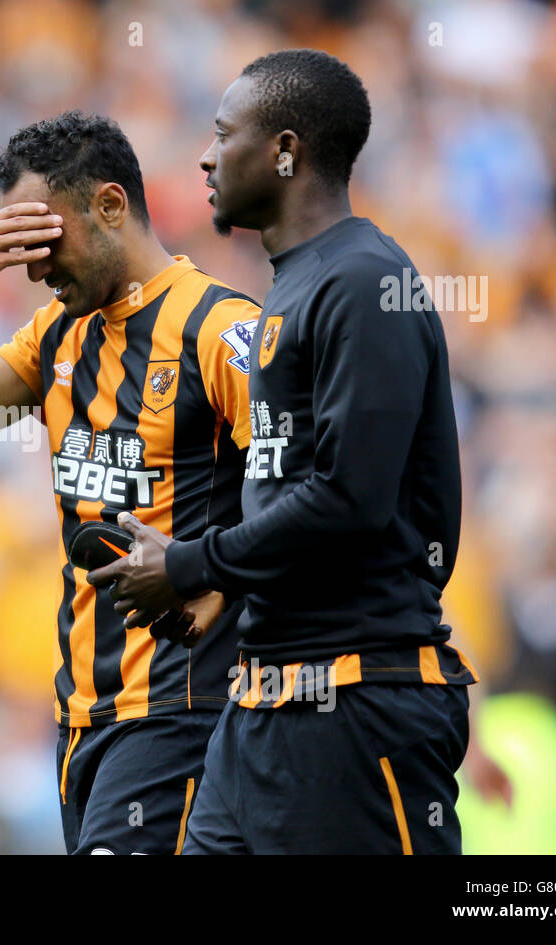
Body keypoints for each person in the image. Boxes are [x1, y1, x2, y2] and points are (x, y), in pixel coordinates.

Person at [89, 50, 478, 854]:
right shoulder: (291, 288)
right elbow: (288, 490)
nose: (205, 153)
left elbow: (351, 496)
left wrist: (195, 563)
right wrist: (223, 584)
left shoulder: (366, 282)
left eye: (225, 132)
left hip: (356, 704)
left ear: (287, 151)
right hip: (261, 707)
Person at [0, 111, 261, 854]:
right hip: (83, 716)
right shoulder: (57, 334)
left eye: (44, 239)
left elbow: (311, 493)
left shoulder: (222, 331)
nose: (32, 267)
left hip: (182, 705)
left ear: (111, 205)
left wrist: (215, 583)